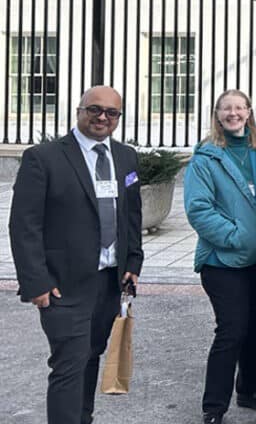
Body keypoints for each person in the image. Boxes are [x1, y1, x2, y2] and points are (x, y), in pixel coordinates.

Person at [9, 85, 144, 424]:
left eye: (112, 113)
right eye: (95, 109)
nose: (102, 117)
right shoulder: (44, 158)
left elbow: (132, 213)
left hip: (109, 281)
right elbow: (24, 225)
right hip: (63, 285)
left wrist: (133, 262)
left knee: (91, 356)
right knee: (69, 364)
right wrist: (36, 283)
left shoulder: (125, 156)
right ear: (79, 110)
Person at [184, 89, 256, 424]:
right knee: (232, 330)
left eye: (239, 108)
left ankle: (250, 391)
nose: (233, 114)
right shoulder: (206, 158)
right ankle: (214, 407)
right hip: (223, 262)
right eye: (227, 109)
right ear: (217, 114)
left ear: (249, 111)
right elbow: (198, 209)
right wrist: (237, 237)